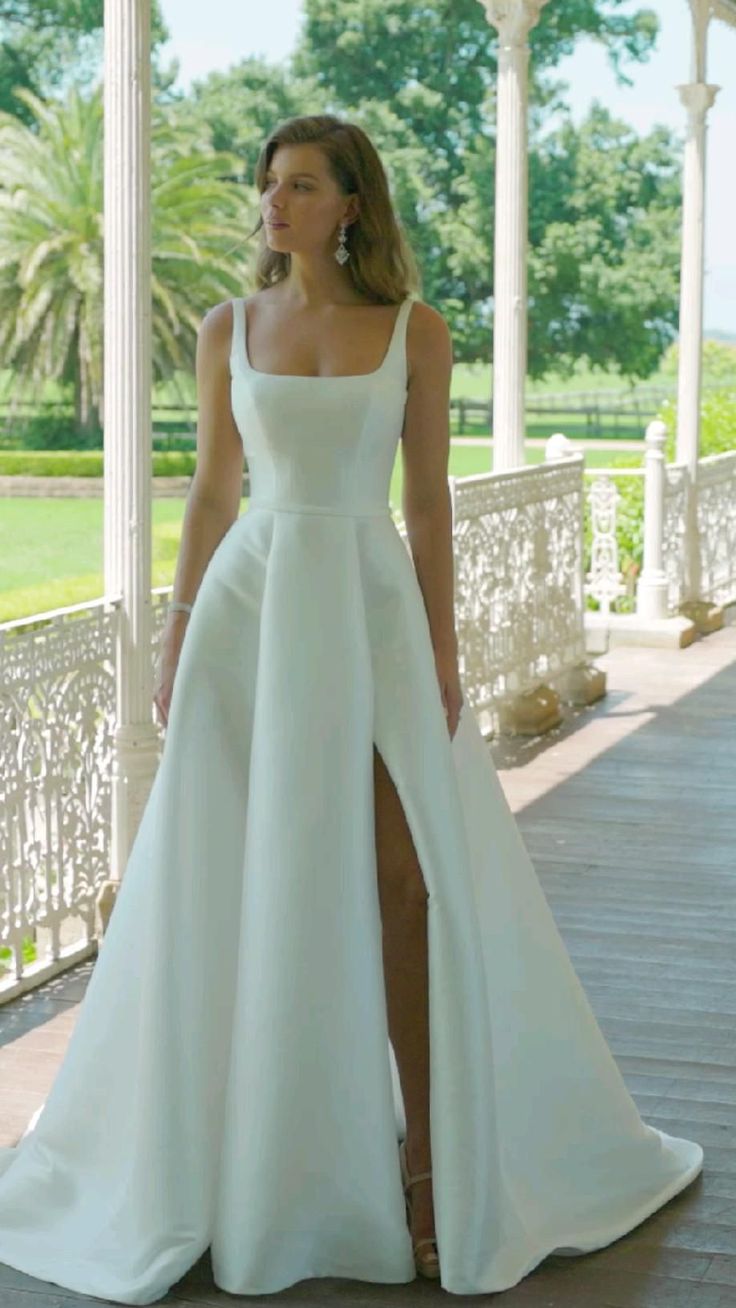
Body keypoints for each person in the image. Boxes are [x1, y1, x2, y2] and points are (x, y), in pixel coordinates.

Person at [0, 113, 702, 1305]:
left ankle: (429, 1165)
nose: (273, 203)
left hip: (366, 609)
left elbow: (427, 504)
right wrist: (177, 636)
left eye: (301, 185)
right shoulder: (231, 327)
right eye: (268, 182)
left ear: (352, 206)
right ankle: (237, 1165)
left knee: (403, 881)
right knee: (235, 872)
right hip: (251, 617)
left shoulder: (413, 332)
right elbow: (215, 495)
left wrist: (441, 650)